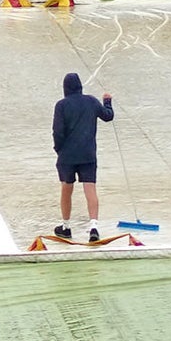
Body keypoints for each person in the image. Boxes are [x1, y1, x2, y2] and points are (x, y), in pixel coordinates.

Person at [51, 71, 113, 241]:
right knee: (90, 188)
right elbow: (108, 116)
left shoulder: (61, 105)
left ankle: (66, 226)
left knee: (66, 188)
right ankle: (93, 226)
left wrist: (59, 149)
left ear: (65, 88)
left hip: (67, 155)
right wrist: (107, 101)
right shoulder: (91, 101)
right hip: (88, 153)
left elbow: (58, 131)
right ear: (80, 86)